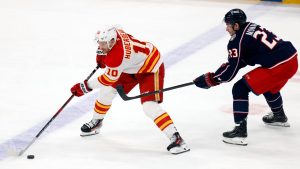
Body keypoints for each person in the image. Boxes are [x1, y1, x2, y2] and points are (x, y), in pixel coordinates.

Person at [70, 26, 190, 154]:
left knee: (149, 106)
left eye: (103, 44)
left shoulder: (117, 57)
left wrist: (85, 86)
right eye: (99, 43)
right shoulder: (114, 33)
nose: (100, 46)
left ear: (112, 41)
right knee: (106, 91)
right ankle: (97, 121)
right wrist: (101, 54)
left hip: (150, 67)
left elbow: (107, 79)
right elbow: (118, 28)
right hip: (131, 66)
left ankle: (177, 138)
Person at [193, 8, 298, 146]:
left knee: (239, 88)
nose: (226, 29)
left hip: (279, 64)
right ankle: (279, 116)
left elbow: (230, 73)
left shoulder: (236, 41)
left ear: (236, 25)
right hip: (291, 59)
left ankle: (240, 132)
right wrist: (216, 74)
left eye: (228, 25)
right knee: (267, 85)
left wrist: (210, 79)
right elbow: (238, 62)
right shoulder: (250, 27)